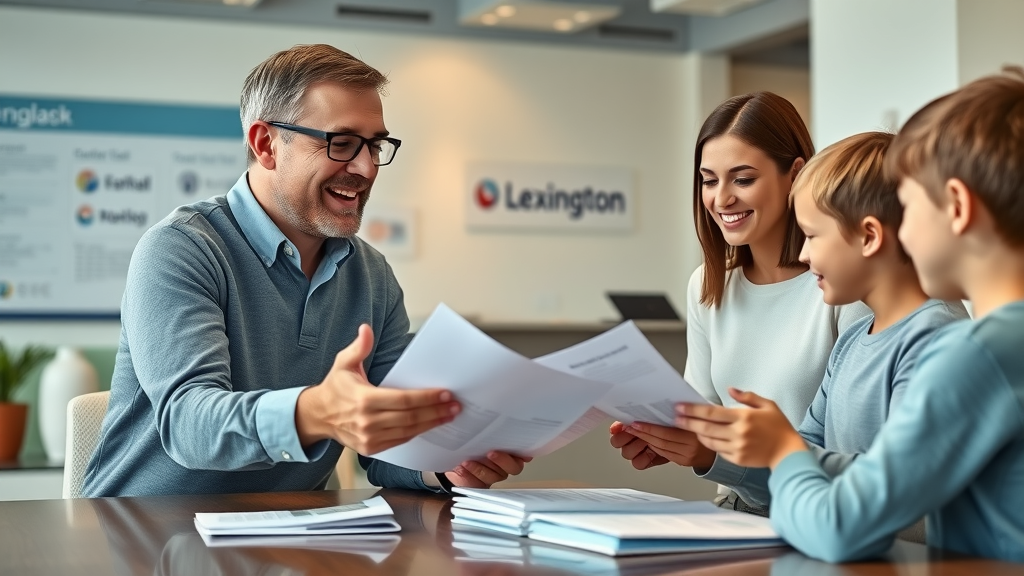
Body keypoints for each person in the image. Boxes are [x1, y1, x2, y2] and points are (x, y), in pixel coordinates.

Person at [83, 44, 529, 497]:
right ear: (266, 144)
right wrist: (316, 411)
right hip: (141, 536)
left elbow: (386, 445)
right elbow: (189, 425)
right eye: (342, 143)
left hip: (291, 540)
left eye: (375, 145)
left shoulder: (372, 276)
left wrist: (444, 466)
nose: (366, 167)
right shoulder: (182, 248)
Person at [676, 69, 1024, 562]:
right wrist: (771, 451)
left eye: (908, 203)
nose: (897, 226)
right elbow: (863, 477)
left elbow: (844, 524)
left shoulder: (972, 354)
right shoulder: (879, 340)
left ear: (958, 208)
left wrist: (784, 451)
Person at [661, 131, 967, 513]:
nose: (803, 255)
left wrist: (784, 448)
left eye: (811, 235)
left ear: (869, 236)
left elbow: (901, 491)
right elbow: (806, 468)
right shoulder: (852, 341)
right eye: (709, 180)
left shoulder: (938, 340)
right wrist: (750, 452)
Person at [609, 92, 868, 515]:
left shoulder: (844, 285)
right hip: (738, 513)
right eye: (709, 180)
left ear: (796, 174)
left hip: (823, 514)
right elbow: (704, 415)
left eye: (743, 179)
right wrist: (669, 438)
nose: (722, 199)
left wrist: (712, 453)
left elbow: (856, 463)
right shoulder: (707, 287)